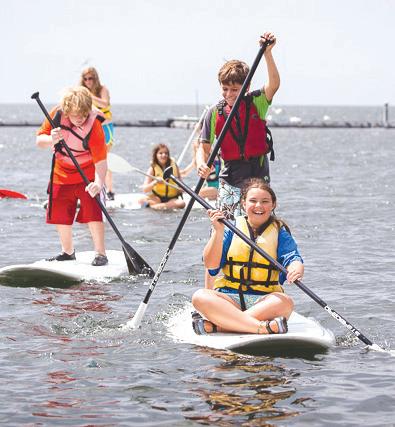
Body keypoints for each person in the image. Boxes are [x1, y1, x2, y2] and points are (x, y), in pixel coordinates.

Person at [191, 178, 304, 335]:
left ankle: (220, 326)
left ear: (273, 205)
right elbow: (211, 265)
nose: (258, 206)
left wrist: (296, 269)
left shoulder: (280, 233)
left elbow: (293, 258)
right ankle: (261, 328)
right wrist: (218, 231)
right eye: (253, 201)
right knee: (200, 296)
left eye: (265, 201)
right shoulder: (230, 229)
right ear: (243, 204)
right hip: (230, 299)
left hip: (264, 301)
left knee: (286, 303)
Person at [196, 31, 280, 220]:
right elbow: (204, 147)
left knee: (255, 224)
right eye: (225, 89)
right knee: (224, 223)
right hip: (230, 178)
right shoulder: (214, 113)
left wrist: (267, 53)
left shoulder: (257, 102)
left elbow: (274, 85)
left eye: (235, 89)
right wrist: (202, 163)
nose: (229, 94)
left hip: (257, 176)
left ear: (246, 87)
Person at [36, 86, 108, 266]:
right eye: (76, 115)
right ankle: (67, 252)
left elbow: (101, 160)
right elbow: (39, 142)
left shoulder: (94, 125)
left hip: (87, 174)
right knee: (60, 213)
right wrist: (51, 138)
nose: (80, 119)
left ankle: (100, 253)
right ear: (67, 110)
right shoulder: (57, 114)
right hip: (61, 173)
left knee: (93, 213)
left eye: (83, 115)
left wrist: (98, 183)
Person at [80, 67, 115, 200]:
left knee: (104, 158)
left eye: (91, 78)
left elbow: (105, 104)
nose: (88, 81)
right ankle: (92, 187)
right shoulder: (82, 92)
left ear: (95, 78)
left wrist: (90, 97)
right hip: (90, 129)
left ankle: (110, 190)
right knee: (89, 159)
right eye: (85, 79)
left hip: (105, 128)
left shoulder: (102, 89)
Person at [138, 143, 186, 210]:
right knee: (141, 200)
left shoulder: (174, 166)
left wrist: (182, 189)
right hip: (157, 198)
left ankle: (154, 207)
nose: (164, 155)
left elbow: (180, 182)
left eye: (166, 153)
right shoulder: (152, 169)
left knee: (181, 203)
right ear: (156, 155)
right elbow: (145, 189)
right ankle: (160, 206)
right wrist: (155, 182)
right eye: (160, 153)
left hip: (172, 199)